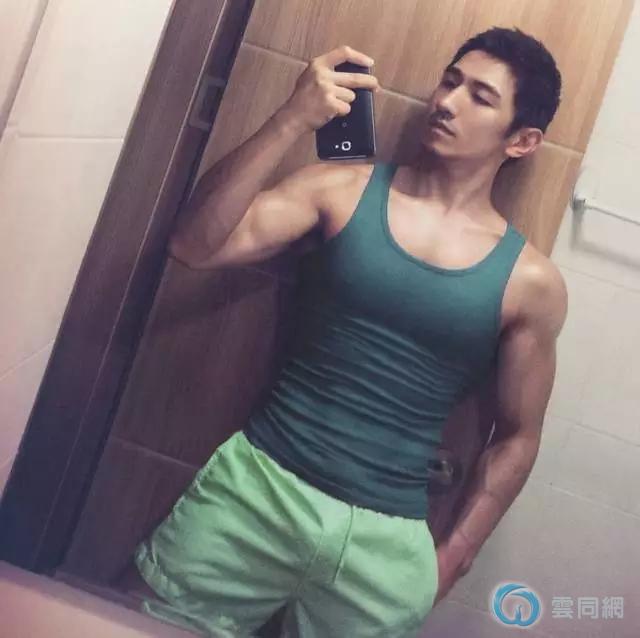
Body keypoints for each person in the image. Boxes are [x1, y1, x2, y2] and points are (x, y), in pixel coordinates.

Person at [120, 26, 568, 638]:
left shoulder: (531, 282)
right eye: (450, 81)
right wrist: (290, 120)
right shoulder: (340, 188)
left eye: (479, 96)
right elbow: (194, 245)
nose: (446, 102)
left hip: (386, 545)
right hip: (259, 489)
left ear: (522, 140)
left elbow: (518, 437)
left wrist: (454, 557)